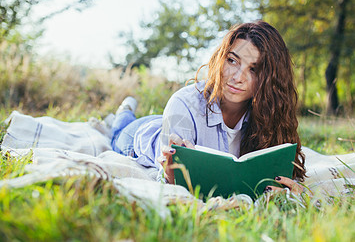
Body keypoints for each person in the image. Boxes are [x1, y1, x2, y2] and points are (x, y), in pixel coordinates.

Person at [108, 20, 306, 194]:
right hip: (138, 137)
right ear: (221, 59)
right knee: (119, 129)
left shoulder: (267, 113)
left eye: (253, 70)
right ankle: (124, 110)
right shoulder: (183, 103)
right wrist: (170, 172)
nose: (237, 78)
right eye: (232, 60)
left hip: (171, 121)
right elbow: (169, 181)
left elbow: (286, 175)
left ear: (270, 80)